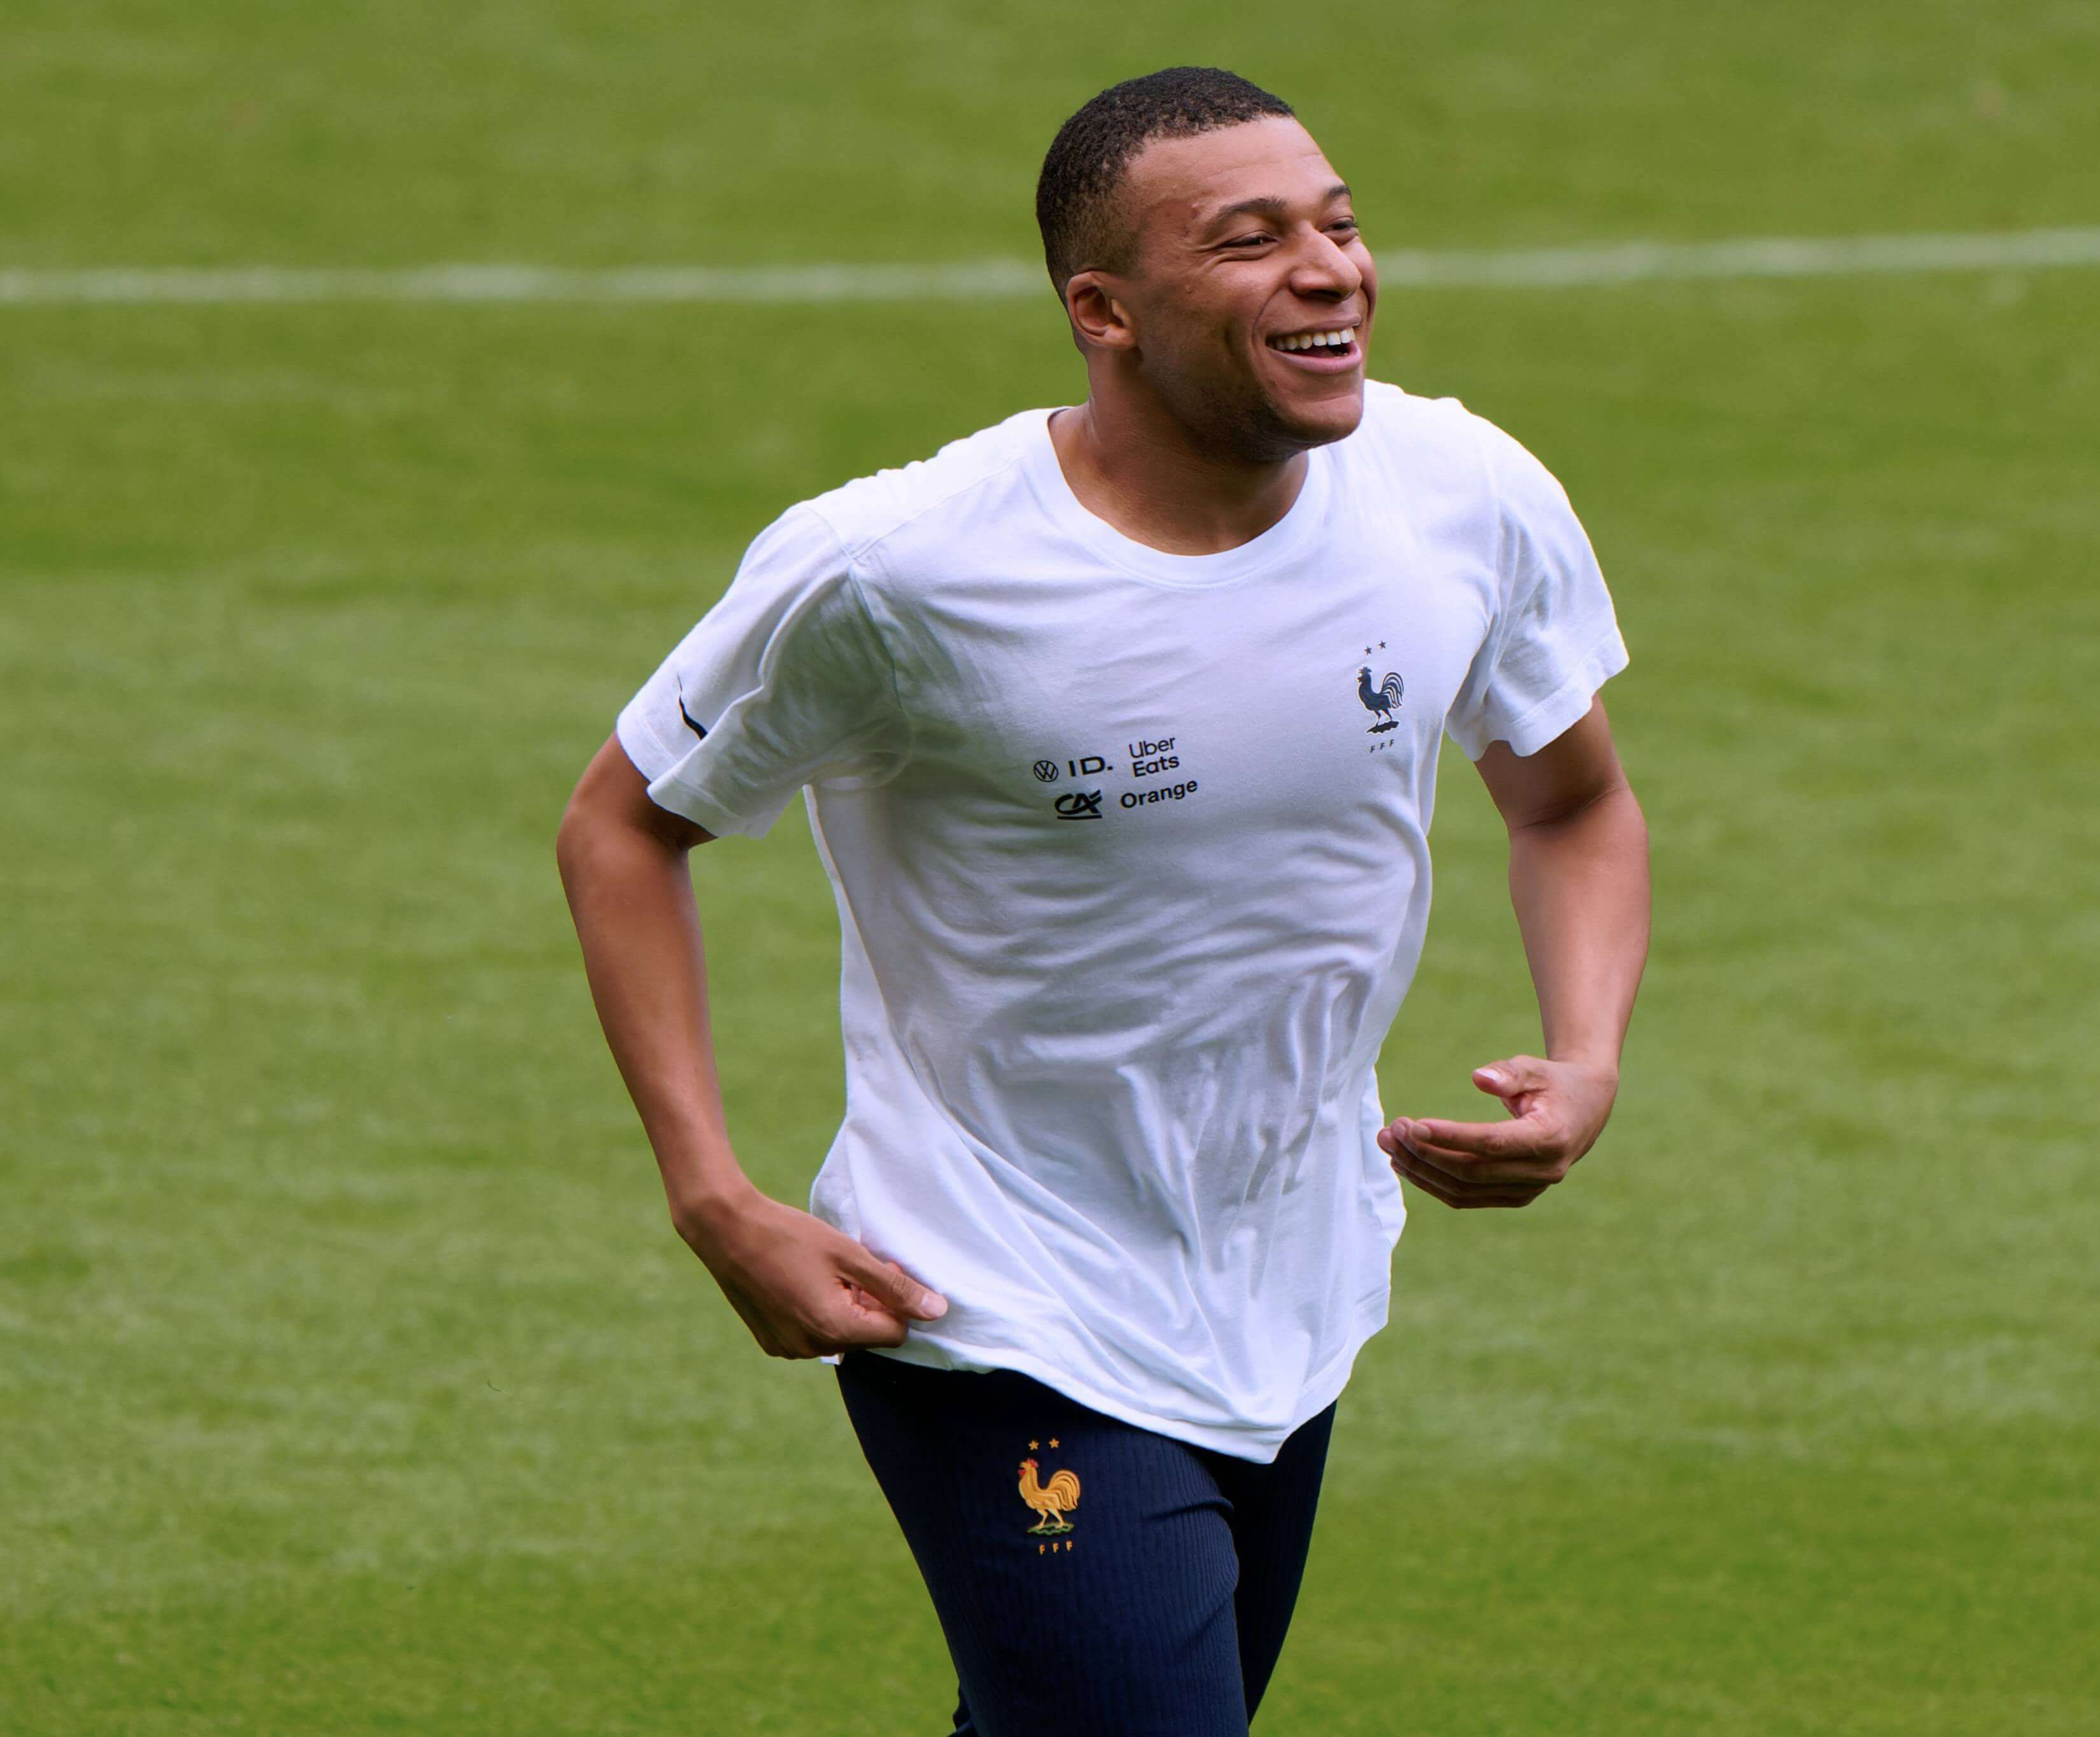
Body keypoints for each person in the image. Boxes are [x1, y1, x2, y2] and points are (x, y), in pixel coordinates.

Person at [556, 65, 1649, 1736]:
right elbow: (624, 822)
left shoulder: (1462, 497)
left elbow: (1572, 798)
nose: (1330, 268)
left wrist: (1588, 1054)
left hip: (1296, 1276)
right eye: (1253, 238)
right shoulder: (901, 571)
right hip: (988, 1290)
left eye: (1341, 226)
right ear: (1105, 309)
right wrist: (712, 1192)